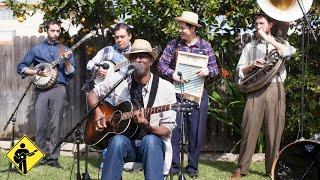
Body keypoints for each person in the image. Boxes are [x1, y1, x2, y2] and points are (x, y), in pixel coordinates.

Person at [87, 39, 177, 180]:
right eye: (134, 56)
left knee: (150, 141)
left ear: (151, 61)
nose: (138, 59)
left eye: (143, 56)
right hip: (127, 145)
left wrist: (147, 126)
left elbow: (167, 129)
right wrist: (98, 112)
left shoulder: (166, 88)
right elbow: (93, 94)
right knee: (117, 141)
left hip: (152, 147)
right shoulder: (119, 80)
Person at [231, 11, 296, 179]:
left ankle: (271, 169)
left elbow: (288, 53)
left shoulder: (280, 43)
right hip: (255, 90)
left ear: (270, 25)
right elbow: (239, 70)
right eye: (256, 24)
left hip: (276, 88)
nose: (258, 27)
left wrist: (269, 40)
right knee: (248, 128)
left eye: (261, 23)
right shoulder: (250, 46)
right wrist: (251, 65)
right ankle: (241, 168)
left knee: (274, 130)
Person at [158, 11, 219, 178]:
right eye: (180, 27)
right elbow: (161, 65)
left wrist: (208, 70)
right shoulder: (174, 45)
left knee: (196, 133)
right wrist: (173, 73)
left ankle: (192, 168)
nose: (180, 30)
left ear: (193, 29)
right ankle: (175, 167)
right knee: (174, 131)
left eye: (183, 28)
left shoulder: (205, 46)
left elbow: (215, 70)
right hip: (176, 94)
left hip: (197, 94)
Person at [17, 19, 76, 169]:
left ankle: (53, 159)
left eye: (58, 31)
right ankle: (40, 157)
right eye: (52, 30)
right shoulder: (36, 49)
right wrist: (35, 72)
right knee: (40, 124)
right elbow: (21, 67)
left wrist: (68, 61)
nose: (55, 34)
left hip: (59, 88)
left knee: (56, 124)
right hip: (41, 90)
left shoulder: (65, 49)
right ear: (46, 30)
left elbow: (71, 74)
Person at [86, 22, 132, 169]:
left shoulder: (134, 53)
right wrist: (98, 69)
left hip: (125, 96)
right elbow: (89, 64)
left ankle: (123, 159)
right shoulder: (107, 51)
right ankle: (106, 162)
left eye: (122, 37)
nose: (119, 40)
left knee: (122, 127)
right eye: (116, 37)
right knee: (106, 127)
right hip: (106, 95)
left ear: (129, 36)